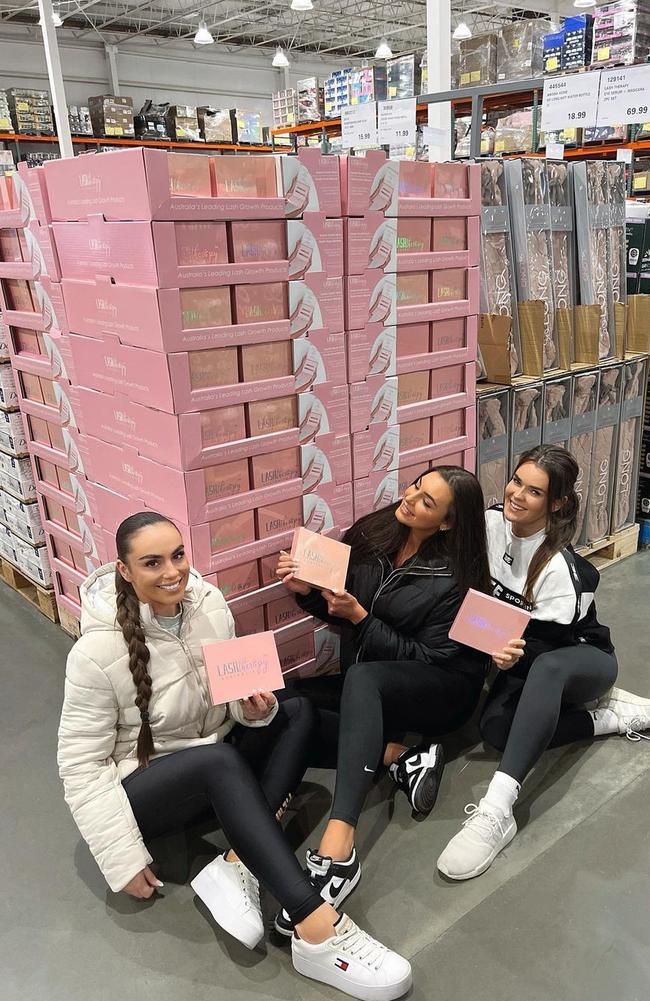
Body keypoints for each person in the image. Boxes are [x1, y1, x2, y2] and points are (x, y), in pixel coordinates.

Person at [57, 511, 412, 1001]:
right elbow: (79, 764)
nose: (172, 572)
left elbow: (226, 698)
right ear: (124, 571)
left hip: (214, 759)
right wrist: (120, 856)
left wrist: (253, 711)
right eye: (152, 562)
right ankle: (316, 928)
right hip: (146, 789)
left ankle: (238, 861)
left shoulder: (207, 602)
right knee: (217, 762)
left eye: (178, 555)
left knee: (299, 709)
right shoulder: (95, 653)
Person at [275, 466, 492, 935]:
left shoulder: (458, 578)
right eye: (416, 485)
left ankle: (340, 843)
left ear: (449, 523)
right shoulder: (374, 531)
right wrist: (308, 594)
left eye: (427, 502)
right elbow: (341, 606)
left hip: (440, 690)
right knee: (285, 703)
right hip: (369, 675)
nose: (411, 499)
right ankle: (400, 757)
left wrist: (361, 617)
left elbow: (431, 657)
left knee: (365, 679)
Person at [437, 444, 650, 881]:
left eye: (534, 492)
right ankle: (607, 720)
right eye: (516, 481)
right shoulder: (490, 523)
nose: (517, 494)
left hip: (580, 662)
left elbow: (544, 651)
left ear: (556, 503)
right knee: (496, 730)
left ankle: (498, 810)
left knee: (546, 670)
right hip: (523, 659)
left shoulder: (559, 569)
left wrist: (506, 657)